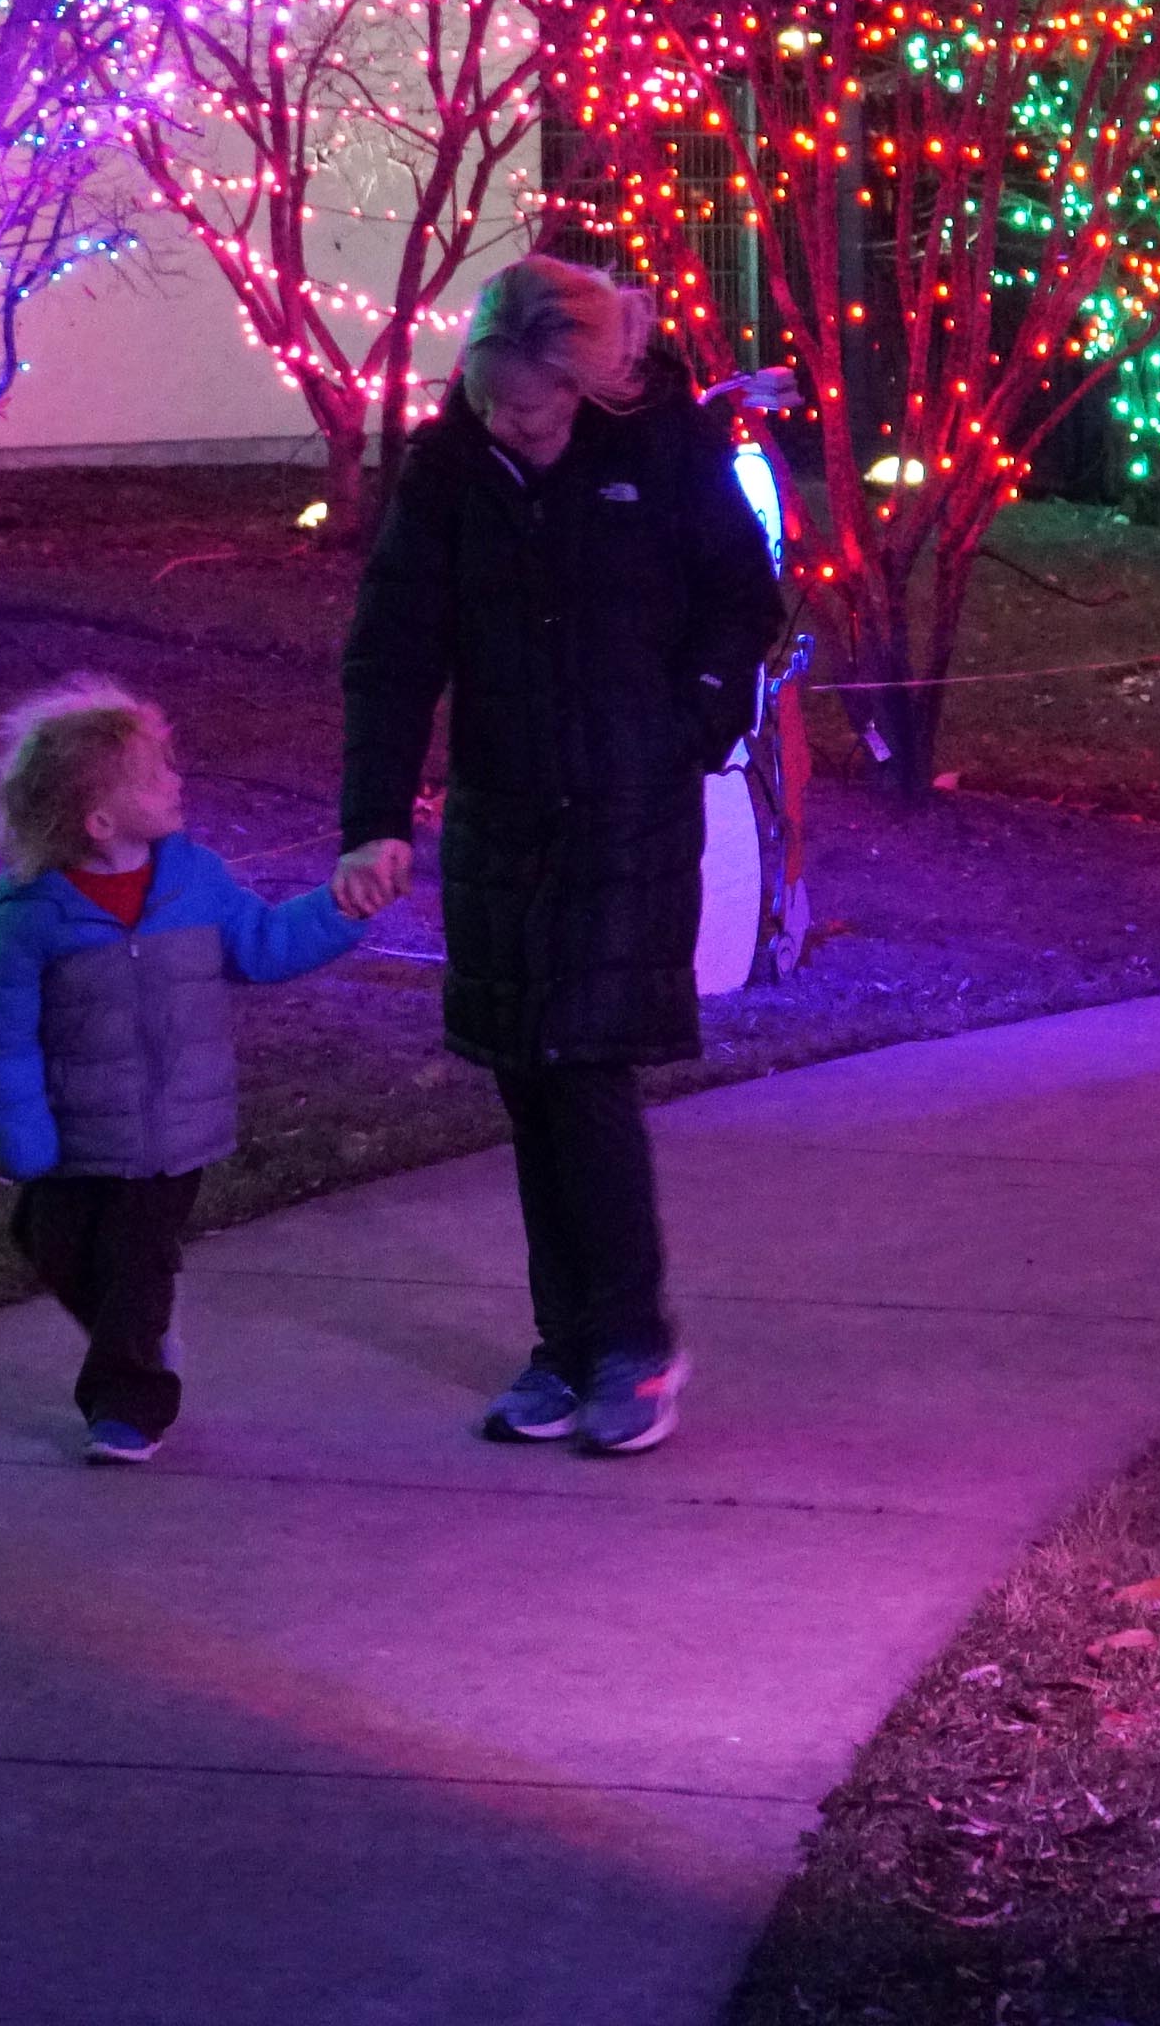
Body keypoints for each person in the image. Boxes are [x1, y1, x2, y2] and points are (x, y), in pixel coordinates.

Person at [337, 256, 784, 1456]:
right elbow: (392, 648)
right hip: (503, 808)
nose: (509, 428)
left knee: (584, 1064)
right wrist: (374, 814)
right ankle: (566, 1343)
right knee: (526, 1075)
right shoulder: (448, 474)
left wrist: (695, 714)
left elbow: (740, 595)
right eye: (490, 404)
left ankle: (631, 1342)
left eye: (531, 408)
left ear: (582, 387)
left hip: (626, 803)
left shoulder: (662, 449)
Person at [0, 676, 391, 1464]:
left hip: (171, 1129)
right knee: (49, 1240)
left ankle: (129, 1404)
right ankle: (141, 1338)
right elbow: (2, 1038)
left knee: (136, 1260)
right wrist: (24, 1136)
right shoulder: (33, 917)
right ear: (98, 819)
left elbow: (264, 945)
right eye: (155, 774)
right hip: (75, 1130)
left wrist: (342, 909)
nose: (177, 782)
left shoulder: (194, 882)